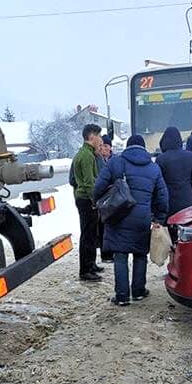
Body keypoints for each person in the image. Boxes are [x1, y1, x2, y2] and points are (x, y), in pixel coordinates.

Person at [93, 135, 168, 306]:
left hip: (118, 215)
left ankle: (122, 296)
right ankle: (139, 291)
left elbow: (98, 186)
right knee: (140, 254)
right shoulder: (153, 168)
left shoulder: (116, 163)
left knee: (120, 255)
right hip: (142, 218)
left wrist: (98, 201)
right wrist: (159, 218)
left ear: (128, 147)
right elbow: (162, 197)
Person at [72, 124, 104, 282]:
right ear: (91, 136)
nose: (101, 139)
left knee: (92, 234)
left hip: (86, 199)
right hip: (86, 200)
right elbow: (89, 183)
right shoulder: (86, 156)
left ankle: (91, 264)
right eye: (99, 136)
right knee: (87, 235)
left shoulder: (89, 153)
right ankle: (85, 270)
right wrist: (95, 200)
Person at [156, 126, 192, 216]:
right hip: (187, 200)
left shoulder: (161, 159)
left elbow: (158, 184)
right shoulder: (191, 156)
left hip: (169, 202)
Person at [96, 135, 114, 263]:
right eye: (101, 146)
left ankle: (111, 251)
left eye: (106, 146)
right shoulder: (97, 160)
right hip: (101, 198)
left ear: (110, 147)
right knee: (102, 226)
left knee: (112, 225)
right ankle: (105, 253)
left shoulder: (116, 160)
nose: (104, 149)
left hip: (113, 198)